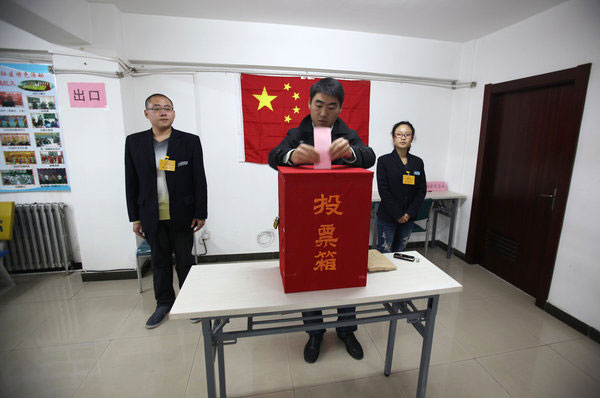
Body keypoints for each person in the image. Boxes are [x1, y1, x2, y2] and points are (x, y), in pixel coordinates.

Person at [269, 77, 376, 364]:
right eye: (319, 105)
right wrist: (292, 156)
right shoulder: (296, 132)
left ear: (340, 108)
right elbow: (273, 156)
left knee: (345, 272)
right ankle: (314, 332)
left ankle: (346, 330)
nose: (324, 112)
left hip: (342, 220)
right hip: (308, 219)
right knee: (310, 272)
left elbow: (369, 157)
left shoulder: (348, 134)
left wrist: (352, 152)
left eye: (331, 107)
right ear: (309, 104)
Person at [125, 93, 208, 329]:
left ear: (173, 113)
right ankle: (163, 303)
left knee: (185, 261)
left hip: (182, 212)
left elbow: (199, 179)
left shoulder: (189, 141)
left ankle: (190, 301)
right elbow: (130, 181)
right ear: (147, 113)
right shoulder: (134, 142)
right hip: (150, 214)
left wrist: (201, 212)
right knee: (159, 262)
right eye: (157, 108)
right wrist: (135, 217)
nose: (163, 112)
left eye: (168, 108)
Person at [376, 121, 426, 253]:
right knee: (385, 252)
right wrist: (398, 214)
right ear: (393, 137)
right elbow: (384, 190)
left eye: (407, 134)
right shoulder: (383, 161)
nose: (403, 137)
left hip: (408, 217)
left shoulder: (417, 162)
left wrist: (409, 213)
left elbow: (421, 190)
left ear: (412, 138)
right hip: (388, 216)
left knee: (401, 251)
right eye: (399, 134)